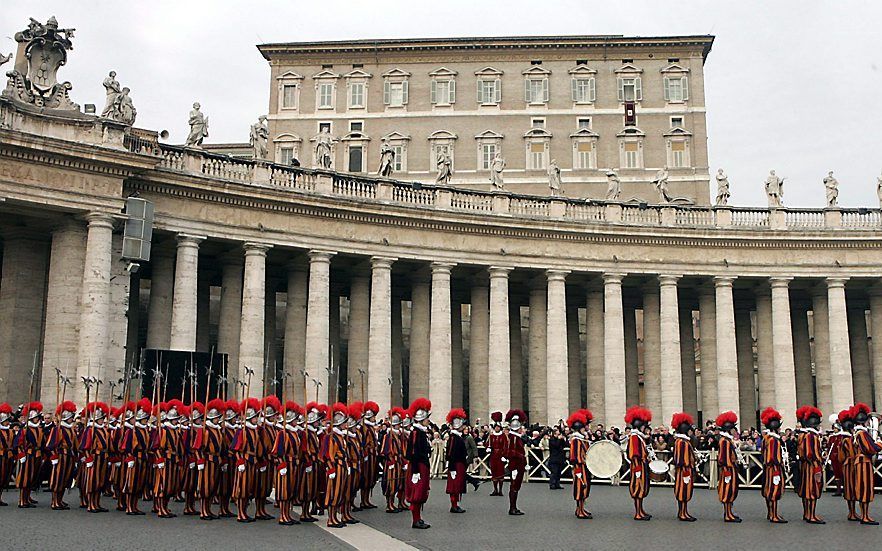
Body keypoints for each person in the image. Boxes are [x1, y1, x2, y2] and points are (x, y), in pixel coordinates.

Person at [851, 402, 882, 524]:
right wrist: (879, 443)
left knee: (864, 488)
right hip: (864, 463)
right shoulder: (862, 434)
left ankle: (865, 514)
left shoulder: (859, 433)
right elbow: (870, 448)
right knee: (865, 488)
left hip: (862, 461)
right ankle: (865, 516)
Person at [405, 398, 432, 529]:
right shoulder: (416, 433)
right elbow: (414, 453)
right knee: (417, 493)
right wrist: (415, 471)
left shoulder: (421, 432)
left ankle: (418, 518)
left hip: (422, 465)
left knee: (422, 493)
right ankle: (415, 519)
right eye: (426, 418)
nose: (428, 420)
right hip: (418, 466)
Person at [46, 400, 78, 510]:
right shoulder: (57, 429)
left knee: (66, 479)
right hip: (60, 456)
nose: (72, 419)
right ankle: (54, 501)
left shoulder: (72, 430)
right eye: (70, 417)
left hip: (69, 456)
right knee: (58, 479)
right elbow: (50, 445)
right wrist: (54, 456)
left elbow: (75, 445)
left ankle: (60, 500)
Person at [795, 405, 825, 524]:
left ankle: (807, 513)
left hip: (805, 465)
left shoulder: (804, 435)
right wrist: (818, 461)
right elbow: (810, 453)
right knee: (812, 490)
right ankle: (811, 515)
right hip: (812, 465)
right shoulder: (811, 436)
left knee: (806, 490)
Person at [15, 401, 45, 509]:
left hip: (37, 455)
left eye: (38, 417)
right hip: (28, 456)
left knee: (32, 478)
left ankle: (27, 498)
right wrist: (21, 455)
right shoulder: (24, 430)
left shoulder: (40, 430)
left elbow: (42, 443)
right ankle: (22, 500)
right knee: (25, 478)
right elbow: (18, 444)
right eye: (36, 417)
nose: (37, 419)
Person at [624, 406, 652, 521]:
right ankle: (638, 512)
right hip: (638, 467)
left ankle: (641, 510)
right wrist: (637, 470)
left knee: (642, 489)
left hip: (641, 465)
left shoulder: (639, 437)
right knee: (637, 489)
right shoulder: (635, 437)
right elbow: (634, 454)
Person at [759, 407, 787, 523]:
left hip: (767, 467)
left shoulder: (766, 438)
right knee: (774, 490)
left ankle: (770, 513)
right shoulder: (773, 440)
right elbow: (773, 457)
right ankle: (773, 515)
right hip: (774, 467)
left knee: (768, 490)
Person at [716, 411, 741, 522]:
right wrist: (727, 469)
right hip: (728, 469)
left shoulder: (727, 440)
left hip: (731, 468)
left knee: (731, 491)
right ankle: (727, 514)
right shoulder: (724, 441)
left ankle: (730, 512)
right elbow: (723, 458)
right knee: (727, 491)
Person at [671, 412, 697, 522]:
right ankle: (682, 513)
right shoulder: (681, 442)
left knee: (686, 491)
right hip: (684, 470)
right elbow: (681, 459)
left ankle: (683, 511)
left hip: (685, 469)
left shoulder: (683, 441)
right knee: (683, 491)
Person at [567, 409, 592, 519]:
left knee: (584, 488)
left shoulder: (581, 439)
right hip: (579, 467)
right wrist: (577, 471)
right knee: (581, 488)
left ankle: (580, 509)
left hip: (583, 466)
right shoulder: (576, 440)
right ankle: (580, 510)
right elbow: (575, 457)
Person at [380, 407, 405, 513]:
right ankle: (389, 504)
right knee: (390, 484)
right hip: (391, 463)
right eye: (398, 424)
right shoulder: (388, 436)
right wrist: (390, 460)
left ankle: (393, 503)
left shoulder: (397, 436)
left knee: (397, 483)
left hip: (397, 462)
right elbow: (384, 451)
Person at [504, 409, 528, 516]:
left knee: (516, 486)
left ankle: (514, 507)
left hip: (518, 465)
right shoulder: (514, 438)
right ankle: (512, 508)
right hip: (515, 465)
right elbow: (512, 452)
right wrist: (521, 458)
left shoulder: (516, 437)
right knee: (514, 486)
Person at [837, 407, 859, 521]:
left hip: (846, 464)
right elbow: (851, 453)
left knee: (849, 488)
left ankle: (852, 512)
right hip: (850, 464)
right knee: (851, 488)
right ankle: (852, 512)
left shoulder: (843, 438)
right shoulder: (848, 440)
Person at [445, 408, 468, 513]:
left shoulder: (457, 437)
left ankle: (456, 504)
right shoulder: (454, 438)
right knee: (454, 486)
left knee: (458, 485)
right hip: (456, 464)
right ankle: (453, 505)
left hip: (460, 464)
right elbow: (450, 454)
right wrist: (452, 468)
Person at [487, 411, 507, 496]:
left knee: (500, 473)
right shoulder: (491, 436)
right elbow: (488, 443)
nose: (497, 428)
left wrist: (505, 456)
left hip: (500, 455)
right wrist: (488, 448)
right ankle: (495, 489)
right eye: (496, 427)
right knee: (494, 472)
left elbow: (506, 446)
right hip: (493, 456)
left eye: (498, 427)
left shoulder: (503, 436)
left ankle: (500, 490)